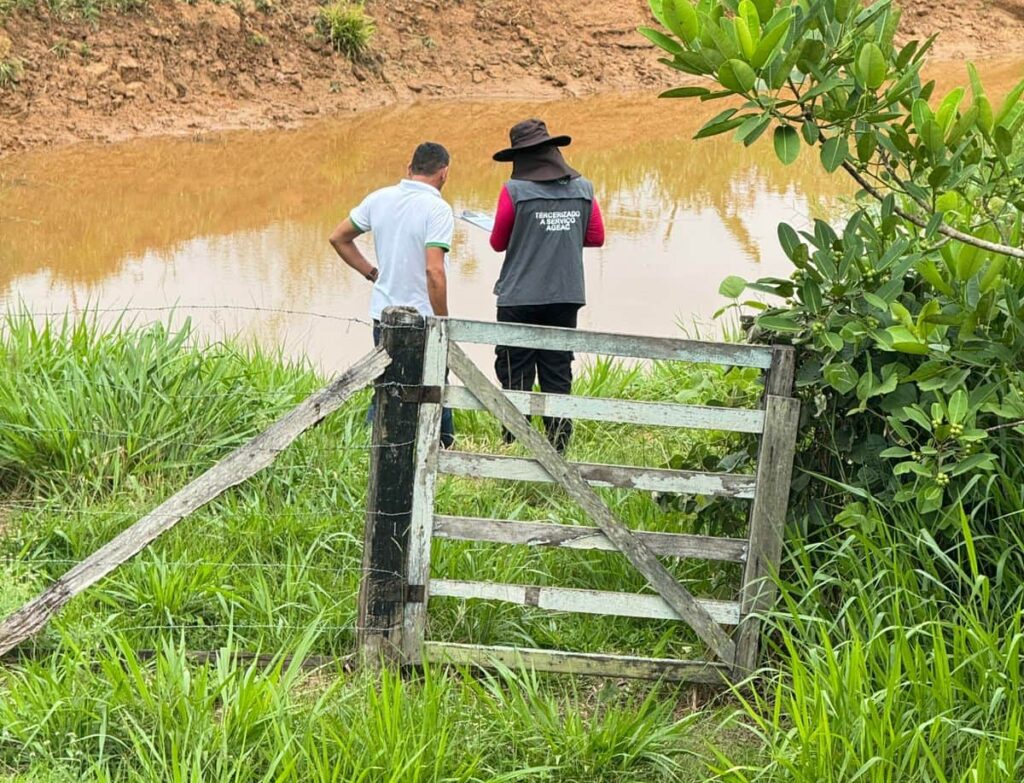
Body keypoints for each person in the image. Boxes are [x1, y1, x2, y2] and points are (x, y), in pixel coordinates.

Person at [488, 119, 605, 453]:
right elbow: (595, 237)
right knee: (557, 371)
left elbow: (498, 242)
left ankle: (514, 445)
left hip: (520, 296)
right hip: (565, 296)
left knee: (515, 370)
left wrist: (533, 232)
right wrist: (560, 234)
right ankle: (559, 449)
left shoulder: (514, 191)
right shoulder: (584, 188)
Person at [328, 141, 455, 447]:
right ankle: (444, 445)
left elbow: (339, 238)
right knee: (435, 383)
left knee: (386, 384)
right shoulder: (438, 209)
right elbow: (434, 271)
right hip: (423, 317)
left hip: (383, 313)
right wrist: (443, 320)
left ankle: (377, 444)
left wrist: (372, 273)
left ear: (409, 169)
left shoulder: (379, 199)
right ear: (444, 174)